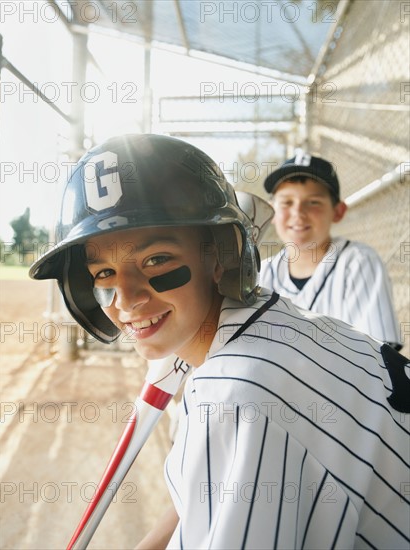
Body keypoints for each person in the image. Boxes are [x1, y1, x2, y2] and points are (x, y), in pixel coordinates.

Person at [30, 134, 409, 550]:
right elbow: (208, 497)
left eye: (156, 259)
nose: (127, 299)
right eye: (103, 273)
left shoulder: (233, 392)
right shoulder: (266, 320)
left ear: (220, 254)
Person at [259, 152, 402, 350]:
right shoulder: (261, 272)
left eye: (313, 202)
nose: (298, 213)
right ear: (270, 211)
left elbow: (380, 358)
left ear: (338, 211)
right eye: (286, 202)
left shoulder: (358, 263)